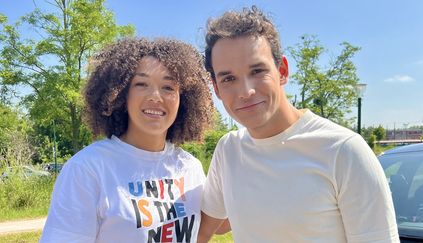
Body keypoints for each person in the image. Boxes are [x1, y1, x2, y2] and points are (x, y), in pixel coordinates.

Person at [198, 6, 399, 243]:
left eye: (257, 71)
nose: (246, 91)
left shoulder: (343, 150)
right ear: (216, 88)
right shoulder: (228, 150)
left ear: (282, 71)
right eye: (229, 78)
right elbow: (206, 227)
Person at [41, 37, 214, 243]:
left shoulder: (190, 167)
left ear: (183, 98)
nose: (155, 96)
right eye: (141, 84)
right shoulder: (87, 168)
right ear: (122, 94)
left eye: (168, 87)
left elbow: (214, 224)